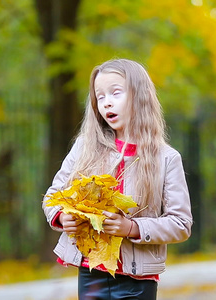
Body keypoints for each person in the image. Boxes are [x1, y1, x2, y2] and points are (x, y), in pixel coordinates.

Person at [42, 58, 193, 300]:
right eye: (100, 96)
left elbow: (181, 224)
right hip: (91, 271)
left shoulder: (166, 159)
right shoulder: (85, 149)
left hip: (137, 280)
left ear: (140, 96)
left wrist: (132, 228)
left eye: (115, 92)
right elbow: (53, 196)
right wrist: (61, 216)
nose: (106, 102)